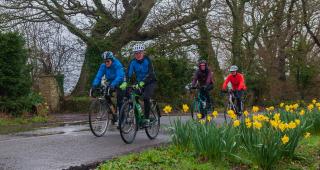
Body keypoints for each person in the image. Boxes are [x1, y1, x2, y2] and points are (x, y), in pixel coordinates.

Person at [120, 43, 157, 126]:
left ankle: (147, 119)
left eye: (140, 53)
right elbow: (128, 73)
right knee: (133, 95)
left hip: (150, 82)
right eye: (136, 53)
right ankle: (139, 116)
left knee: (146, 97)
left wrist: (143, 82)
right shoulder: (133, 62)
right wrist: (125, 82)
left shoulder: (147, 60)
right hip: (139, 83)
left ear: (143, 53)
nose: (138, 55)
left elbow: (150, 73)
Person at [90, 51, 125, 121]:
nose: (106, 63)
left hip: (121, 82)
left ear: (111, 59)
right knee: (105, 94)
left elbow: (120, 76)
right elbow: (98, 76)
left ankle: (122, 119)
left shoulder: (117, 64)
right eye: (105, 61)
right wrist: (94, 85)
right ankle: (114, 112)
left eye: (108, 61)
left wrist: (113, 85)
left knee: (120, 99)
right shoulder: (103, 66)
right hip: (111, 82)